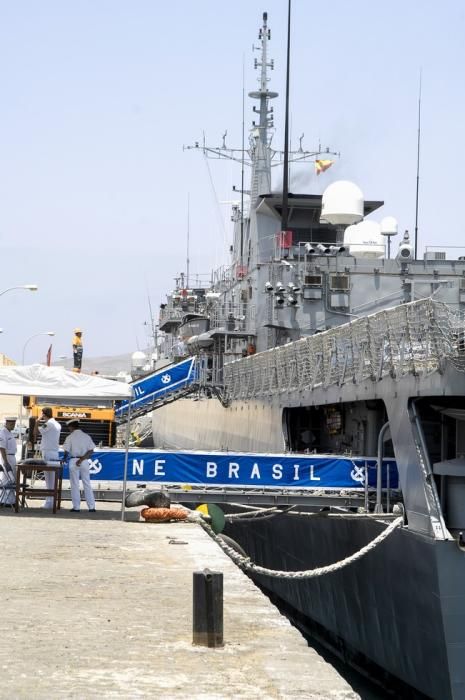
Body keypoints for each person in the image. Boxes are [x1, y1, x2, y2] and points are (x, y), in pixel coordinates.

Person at [62, 419, 96, 512]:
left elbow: (66, 451)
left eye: (69, 427)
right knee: (87, 483)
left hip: (73, 460)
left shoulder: (70, 437)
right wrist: (82, 459)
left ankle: (76, 507)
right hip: (84, 460)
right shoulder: (87, 436)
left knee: (74, 484)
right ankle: (91, 507)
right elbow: (91, 450)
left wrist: (64, 459)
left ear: (71, 427)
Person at [36, 407, 61, 509]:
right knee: (53, 479)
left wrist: (37, 421)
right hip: (54, 452)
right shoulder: (57, 424)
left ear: (44, 414)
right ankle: (51, 501)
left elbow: (36, 432)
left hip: (48, 452)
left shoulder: (49, 424)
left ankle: (49, 502)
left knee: (48, 479)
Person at [0, 417, 18, 505]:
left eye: (14, 424)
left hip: (12, 457)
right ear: (6, 423)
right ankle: (6, 501)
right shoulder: (3, 432)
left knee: (12, 479)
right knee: (8, 479)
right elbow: (2, 448)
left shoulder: (10, 433)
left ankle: (9, 500)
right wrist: (5, 462)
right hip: (7, 458)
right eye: (11, 424)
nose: (13, 426)